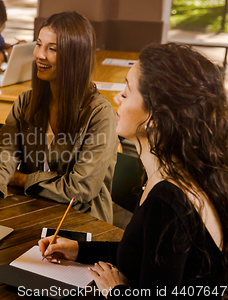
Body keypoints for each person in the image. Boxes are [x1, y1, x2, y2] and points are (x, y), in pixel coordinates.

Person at [39, 43, 227, 298]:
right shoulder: (183, 173)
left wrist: (115, 290)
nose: (116, 98)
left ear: (155, 118)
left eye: (126, 93)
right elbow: (142, 253)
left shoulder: (168, 200)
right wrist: (79, 249)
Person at [0, 11, 119, 223]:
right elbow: (1, 157)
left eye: (52, 49)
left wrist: (23, 179)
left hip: (81, 222)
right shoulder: (26, 102)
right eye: (38, 44)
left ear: (75, 57)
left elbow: (81, 188)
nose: (39, 55)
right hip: (30, 211)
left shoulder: (100, 114)